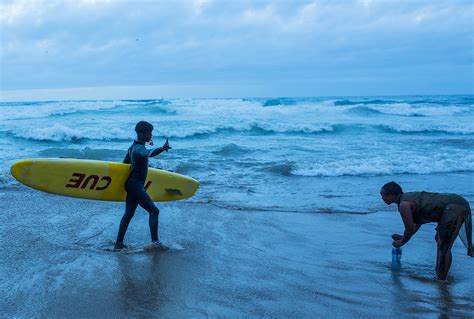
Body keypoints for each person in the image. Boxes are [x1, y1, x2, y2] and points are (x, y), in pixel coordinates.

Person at [380, 181, 472, 280]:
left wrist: (402, 242)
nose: (382, 199)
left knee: (444, 245)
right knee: (440, 240)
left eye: (383, 196)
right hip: (453, 203)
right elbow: (417, 223)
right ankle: (439, 272)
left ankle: (441, 281)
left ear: (390, 196)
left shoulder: (404, 205)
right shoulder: (406, 198)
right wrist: (403, 237)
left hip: (454, 207)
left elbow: (409, 229)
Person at [114, 121, 171, 251]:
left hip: (132, 185)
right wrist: (162, 148)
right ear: (142, 133)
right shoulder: (140, 149)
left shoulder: (132, 147)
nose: (151, 135)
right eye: (149, 133)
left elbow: (124, 165)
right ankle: (155, 243)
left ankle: (118, 244)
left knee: (128, 214)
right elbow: (148, 153)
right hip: (136, 185)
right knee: (154, 211)